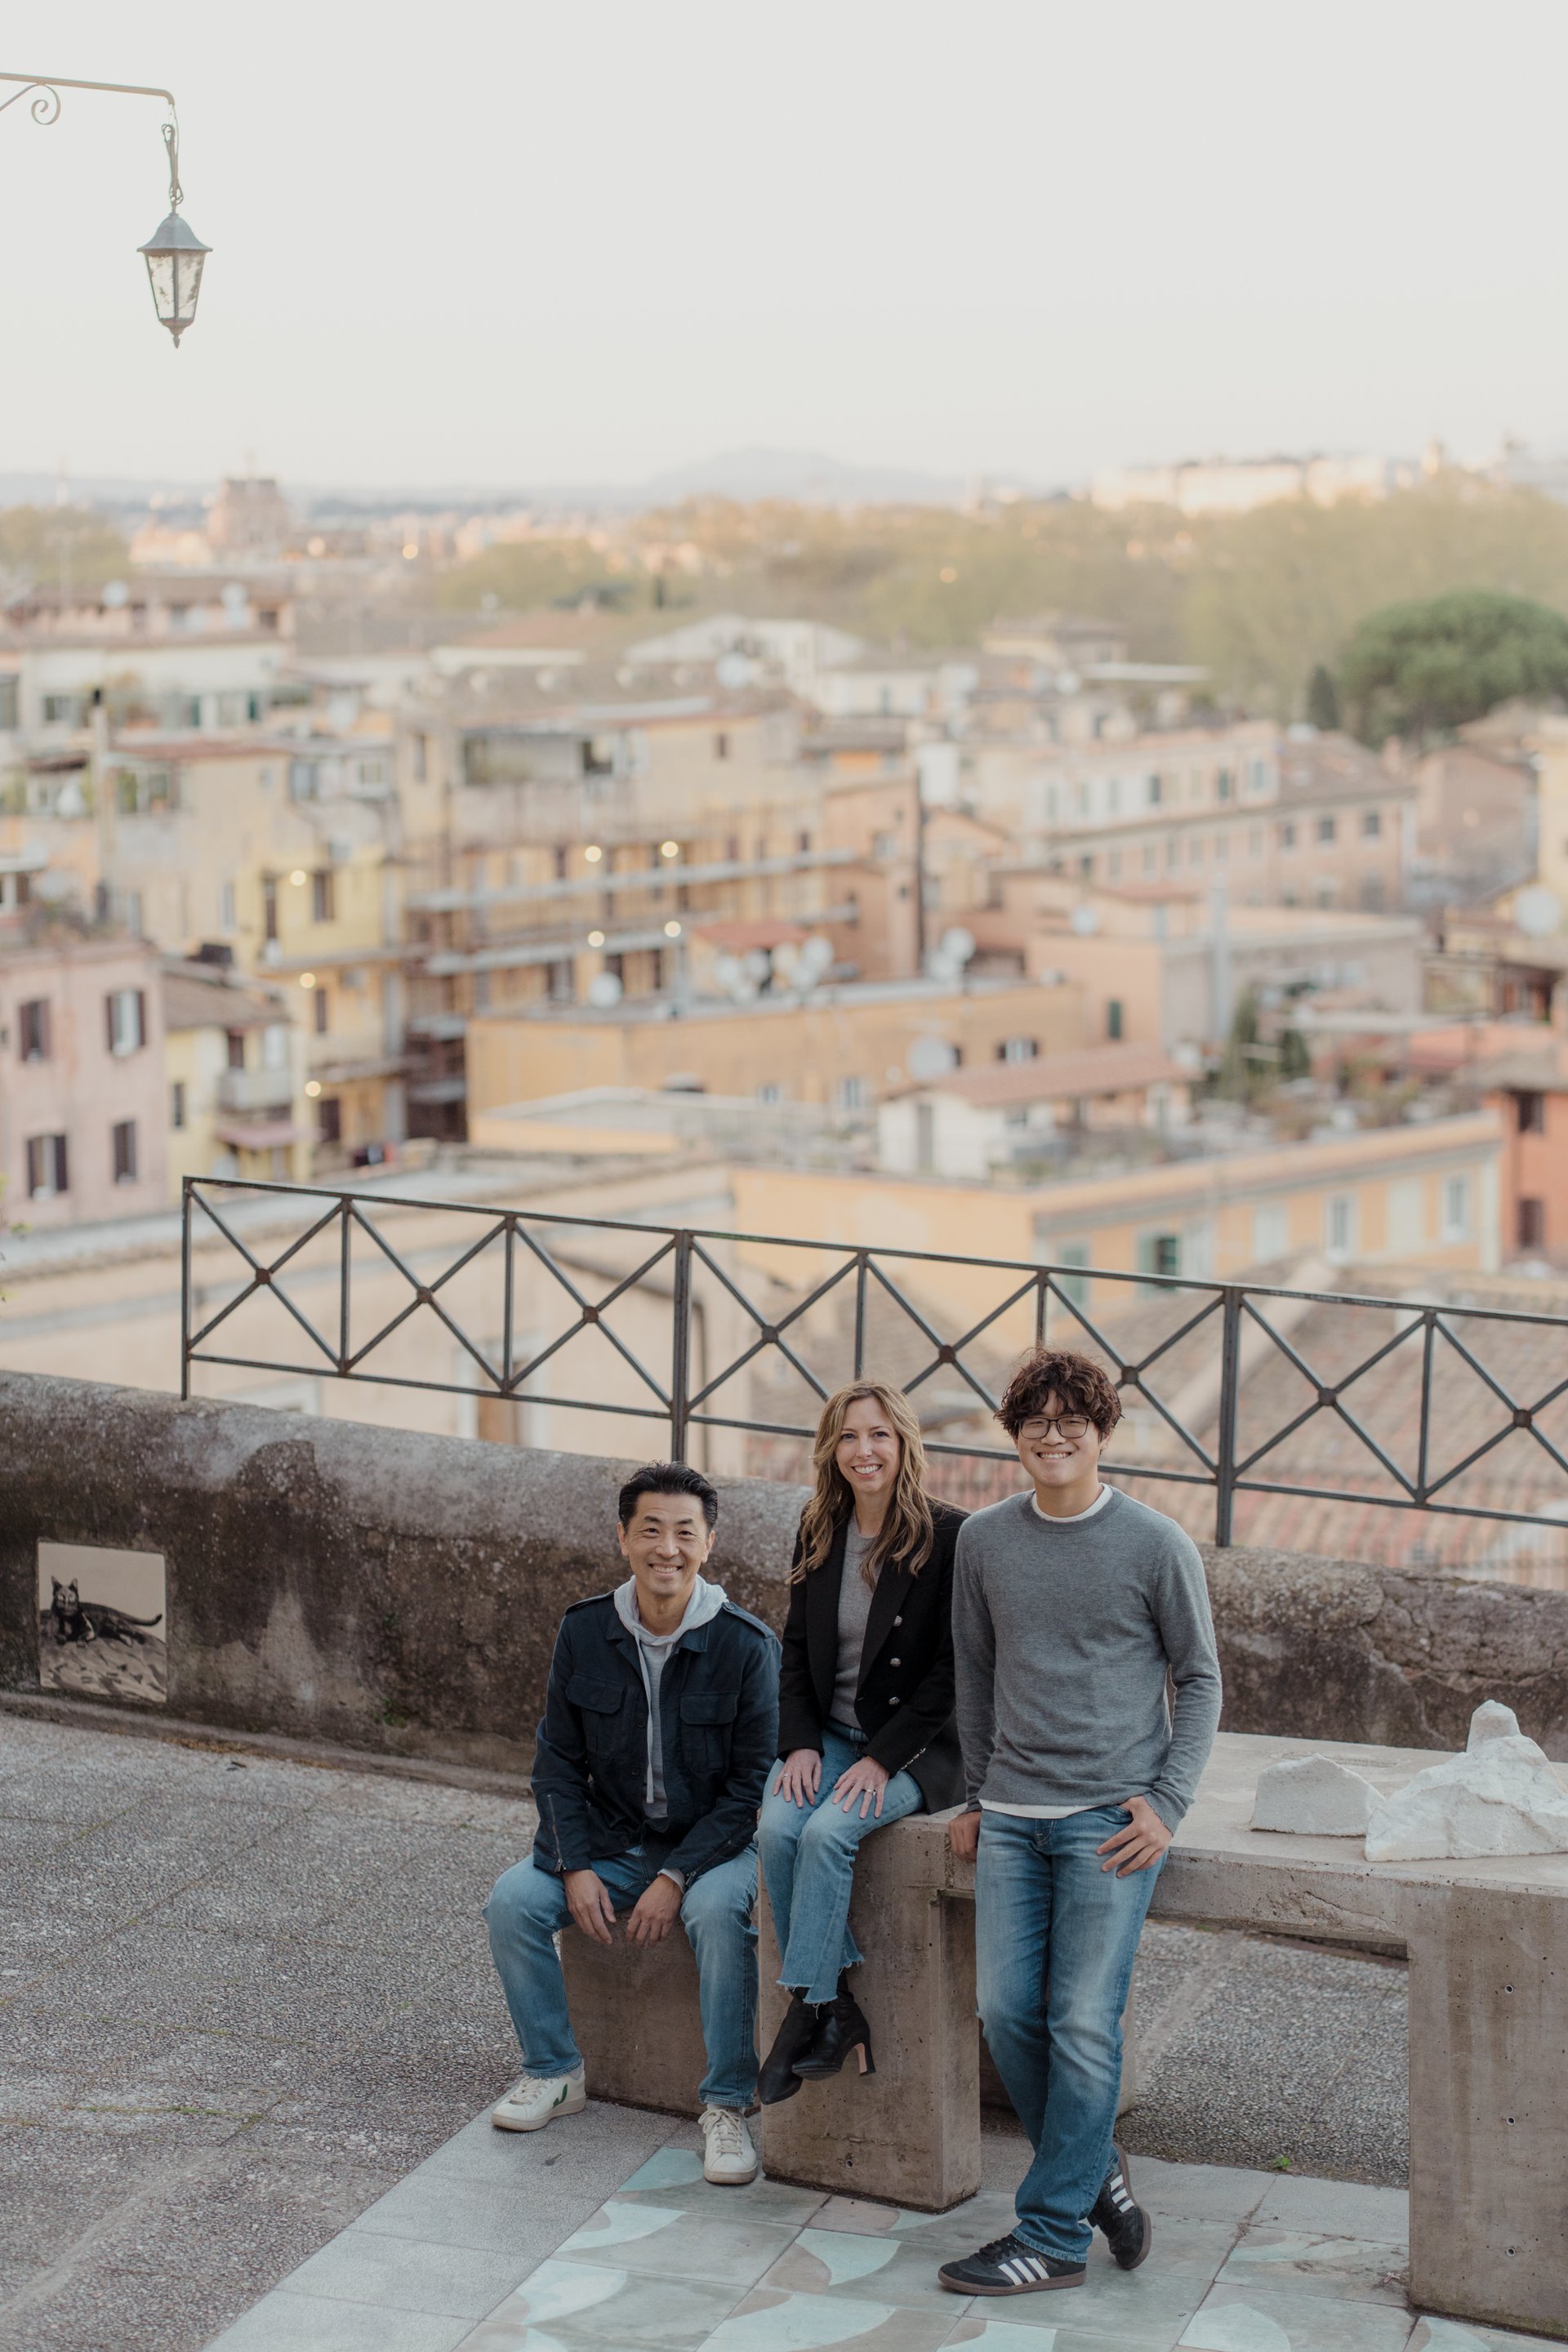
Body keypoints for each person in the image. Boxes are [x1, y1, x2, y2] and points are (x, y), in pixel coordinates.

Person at [938, 1348, 1222, 2299]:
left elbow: (1201, 1678)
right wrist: (976, 1796)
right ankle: (1093, 2167)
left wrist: (1168, 1803)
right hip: (1012, 1814)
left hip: (1111, 1821)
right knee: (1007, 2013)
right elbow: (975, 1674)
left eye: (1072, 1421)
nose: (1052, 1436)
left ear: (1102, 1433)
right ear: (1014, 1435)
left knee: (1082, 2022)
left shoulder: (1154, 1543)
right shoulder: (984, 1541)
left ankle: (1054, 2235)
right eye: (1035, 1421)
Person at [483, 1461, 779, 2186]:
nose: (666, 1549)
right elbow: (556, 1762)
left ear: (708, 1544)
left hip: (717, 1849)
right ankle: (554, 2071)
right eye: (650, 1530)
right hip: (613, 1840)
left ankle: (727, 2104)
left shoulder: (747, 1645)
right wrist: (574, 1863)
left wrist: (677, 1876)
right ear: (623, 1538)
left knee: (717, 1914)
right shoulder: (585, 1630)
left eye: (685, 1533)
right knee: (513, 1902)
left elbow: (752, 1790)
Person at [756, 1381, 967, 2102]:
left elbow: (952, 1673)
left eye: (878, 1434)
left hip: (915, 1748)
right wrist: (799, 1742)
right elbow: (794, 1649)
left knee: (827, 1835)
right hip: (828, 1736)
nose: (863, 1450)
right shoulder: (820, 1527)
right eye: (848, 1436)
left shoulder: (947, 1537)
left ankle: (805, 2011)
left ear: (904, 1442)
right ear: (831, 1449)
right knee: (778, 1829)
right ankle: (835, 2006)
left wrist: (882, 1759)